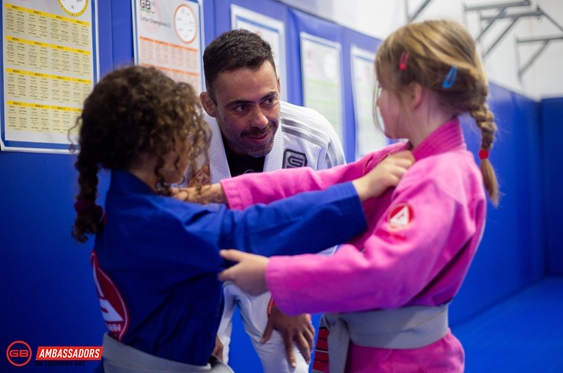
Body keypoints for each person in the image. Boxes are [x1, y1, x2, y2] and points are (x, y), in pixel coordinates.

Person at [71, 65, 409, 372]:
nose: (190, 148)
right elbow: (258, 226)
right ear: (154, 143)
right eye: (181, 135)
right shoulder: (161, 223)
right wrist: (358, 191)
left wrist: (198, 338)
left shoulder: (125, 208)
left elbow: (163, 296)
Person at [214, 19, 500, 372]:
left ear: (413, 95)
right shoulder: (403, 158)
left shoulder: (442, 177)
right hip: (369, 353)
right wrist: (224, 192)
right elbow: (320, 186)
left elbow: (382, 273)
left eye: (382, 89)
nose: (377, 104)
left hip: (402, 361)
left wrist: (273, 275)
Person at [195, 29, 346, 372]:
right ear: (210, 104)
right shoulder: (184, 141)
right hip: (202, 272)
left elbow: (331, 224)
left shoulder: (314, 139)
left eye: (269, 99)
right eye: (240, 107)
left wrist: (293, 291)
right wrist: (191, 314)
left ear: (278, 83)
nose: (260, 119)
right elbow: (165, 230)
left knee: (289, 365)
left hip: (277, 270)